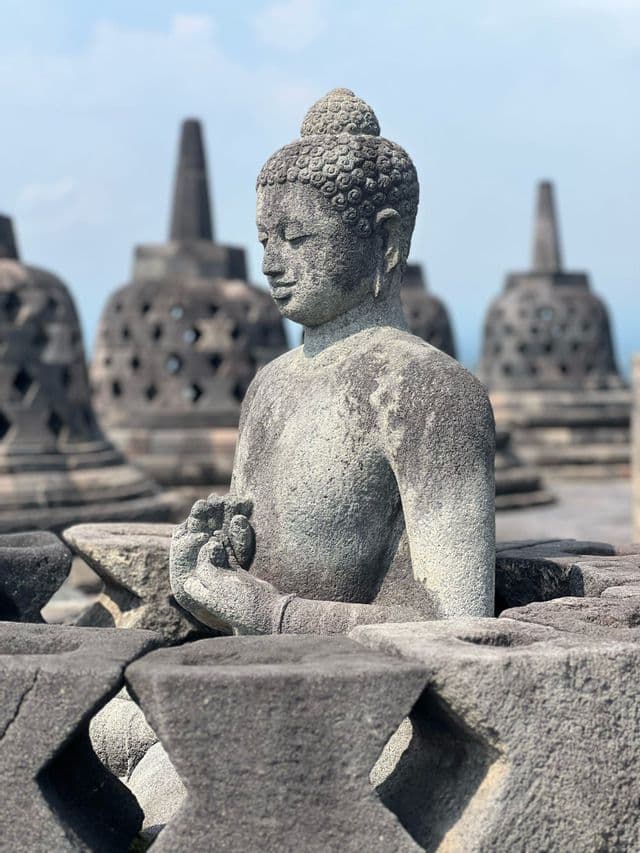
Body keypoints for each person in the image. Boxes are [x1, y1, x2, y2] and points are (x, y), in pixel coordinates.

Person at [170, 88, 495, 634]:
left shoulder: (430, 395)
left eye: (297, 239)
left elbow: (459, 627)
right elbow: (246, 589)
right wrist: (205, 573)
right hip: (251, 673)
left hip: (368, 700)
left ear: (385, 241)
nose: (272, 264)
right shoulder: (269, 384)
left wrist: (268, 613)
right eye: (265, 240)